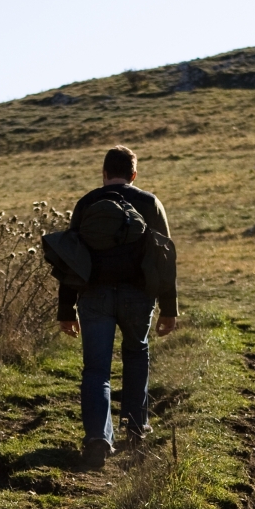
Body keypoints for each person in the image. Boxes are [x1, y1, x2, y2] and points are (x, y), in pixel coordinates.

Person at [59, 146, 176, 469]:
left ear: (104, 173)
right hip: (138, 295)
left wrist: (66, 310)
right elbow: (164, 258)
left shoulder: (87, 203)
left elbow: (72, 259)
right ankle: (136, 430)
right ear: (134, 174)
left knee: (96, 369)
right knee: (136, 354)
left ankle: (98, 438)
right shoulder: (150, 202)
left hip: (94, 296)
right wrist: (169, 308)